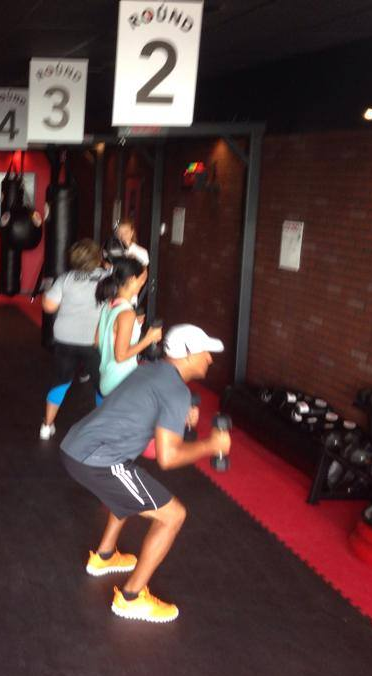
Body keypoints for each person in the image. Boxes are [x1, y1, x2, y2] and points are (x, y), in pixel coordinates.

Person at [59, 324, 231, 623]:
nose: (210, 359)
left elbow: (141, 420)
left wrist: (179, 421)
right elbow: (168, 457)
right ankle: (131, 598)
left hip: (76, 446)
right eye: (206, 352)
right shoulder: (176, 391)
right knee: (173, 516)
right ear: (188, 354)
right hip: (96, 459)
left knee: (129, 481)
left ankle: (105, 556)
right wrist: (211, 445)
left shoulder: (150, 371)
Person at [39, 238, 109, 440]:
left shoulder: (66, 279)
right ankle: (102, 429)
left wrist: (47, 291)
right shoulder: (106, 277)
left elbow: (49, 307)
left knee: (61, 381)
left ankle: (46, 426)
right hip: (94, 341)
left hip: (65, 339)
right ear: (97, 258)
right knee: (101, 385)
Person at [94, 257, 162, 398]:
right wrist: (148, 339)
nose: (144, 283)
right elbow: (120, 356)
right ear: (131, 279)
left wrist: (133, 326)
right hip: (120, 382)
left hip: (106, 378)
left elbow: (97, 341)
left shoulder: (109, 305)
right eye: (142, 279)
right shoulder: (126, 314)